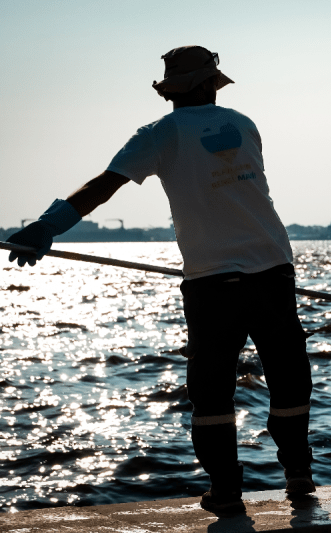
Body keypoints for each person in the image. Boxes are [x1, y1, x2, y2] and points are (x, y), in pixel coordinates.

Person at [6, 45, 314, 515]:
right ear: (211, 83)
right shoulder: (243, 124)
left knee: (212, 393)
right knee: (288, 378)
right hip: (273, 269)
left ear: (170, 90)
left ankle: (227, 492)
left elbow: (101, 187)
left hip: (213, 281)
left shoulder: (158, 135)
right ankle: (299, 477)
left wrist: (45, 227)